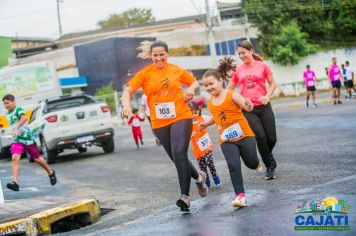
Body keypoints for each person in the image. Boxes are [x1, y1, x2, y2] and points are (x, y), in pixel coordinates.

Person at [122, 40, 208, 213]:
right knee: (177, 158)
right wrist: (126, 106)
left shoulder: (176, 70)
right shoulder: (145, 73)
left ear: (167, 54)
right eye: (155, 55)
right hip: (159, 121)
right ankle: (199, 177)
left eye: (162, 54)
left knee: (179, 153)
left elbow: (194, 83)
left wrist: (191, 89)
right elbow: (128, 92)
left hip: (181, 116)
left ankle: (185, 197)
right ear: (151, 56)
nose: (159, 58)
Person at [199, 61, 263, 207]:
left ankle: (257, 163)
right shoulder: (210, 102)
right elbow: (216, 117)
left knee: (251, 162)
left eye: (211, 83)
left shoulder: (232, 95)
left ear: (221, 80)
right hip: (226, 140)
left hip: (245, 135)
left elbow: (247, 107)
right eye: (206, 85)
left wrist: (249, 104)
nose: (209, 87)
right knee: (233, 165)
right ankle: (239, 196)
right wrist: (205, 124)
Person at [228, 40, 278, 180]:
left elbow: (272, 83)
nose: (241, 56)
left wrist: (267, 96)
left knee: (271, 138)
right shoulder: (237, 70)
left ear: (251, 51)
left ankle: (268, 156)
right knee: (260, 137)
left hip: (264, 106)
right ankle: (270, 166)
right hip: (248, 109)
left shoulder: (262, 66)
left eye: (243, 53)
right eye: (239, 54)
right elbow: (230, 90)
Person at [3, 94, 57, 191]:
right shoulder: (7, 114)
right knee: (15, 158)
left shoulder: (18, 109)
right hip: (17, 140)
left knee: (37, 159)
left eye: (8, 103)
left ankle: (50, 172)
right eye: (4, 104)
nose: (6, 105)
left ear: (13, 102)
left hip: (27, 138)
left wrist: (16, 128)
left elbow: (24, 118)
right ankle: (15, 183)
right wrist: (14, 132)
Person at [188, 101, 221, 188]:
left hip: (207, 145)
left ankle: (215, 177)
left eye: (196, 112)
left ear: (199, 110)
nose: (194, 115)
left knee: (209, 161)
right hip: (198, 149)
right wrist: (190, 135)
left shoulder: (203, 118)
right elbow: (184, 135)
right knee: (202, 166)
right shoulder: (188, 124)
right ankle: (207, 181)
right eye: (191, 113)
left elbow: (213, 119)